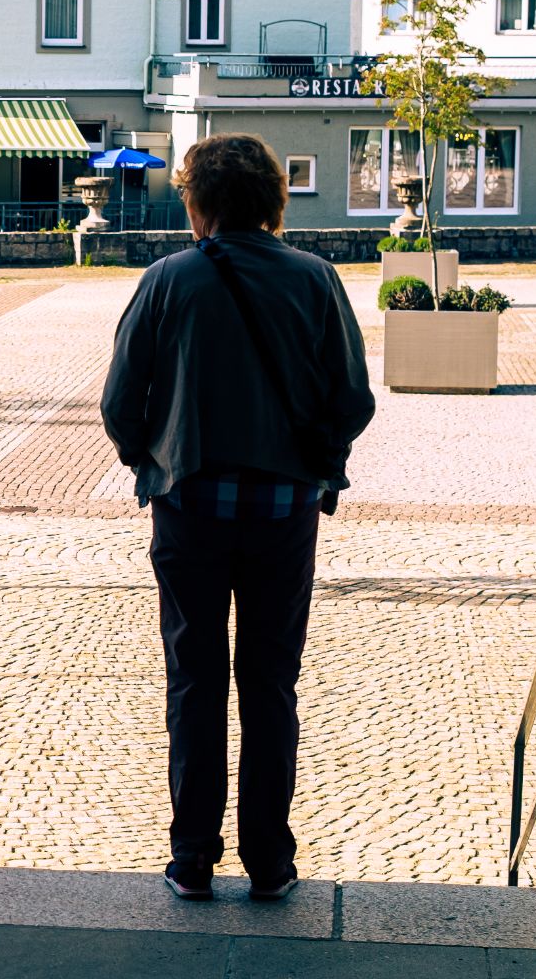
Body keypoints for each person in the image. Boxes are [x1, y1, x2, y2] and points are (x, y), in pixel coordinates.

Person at [100, 134, 375, 903]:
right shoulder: (315, 280)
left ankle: (191, 855)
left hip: (188, 508)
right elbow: (352, 399)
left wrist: (148, 461)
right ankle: (268, 860)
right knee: (269, 683)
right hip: (283, 512)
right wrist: (317, 460)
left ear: (197, 202)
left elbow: (120, 405)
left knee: (193, 680)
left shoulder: (166, 281)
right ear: (272, 201)